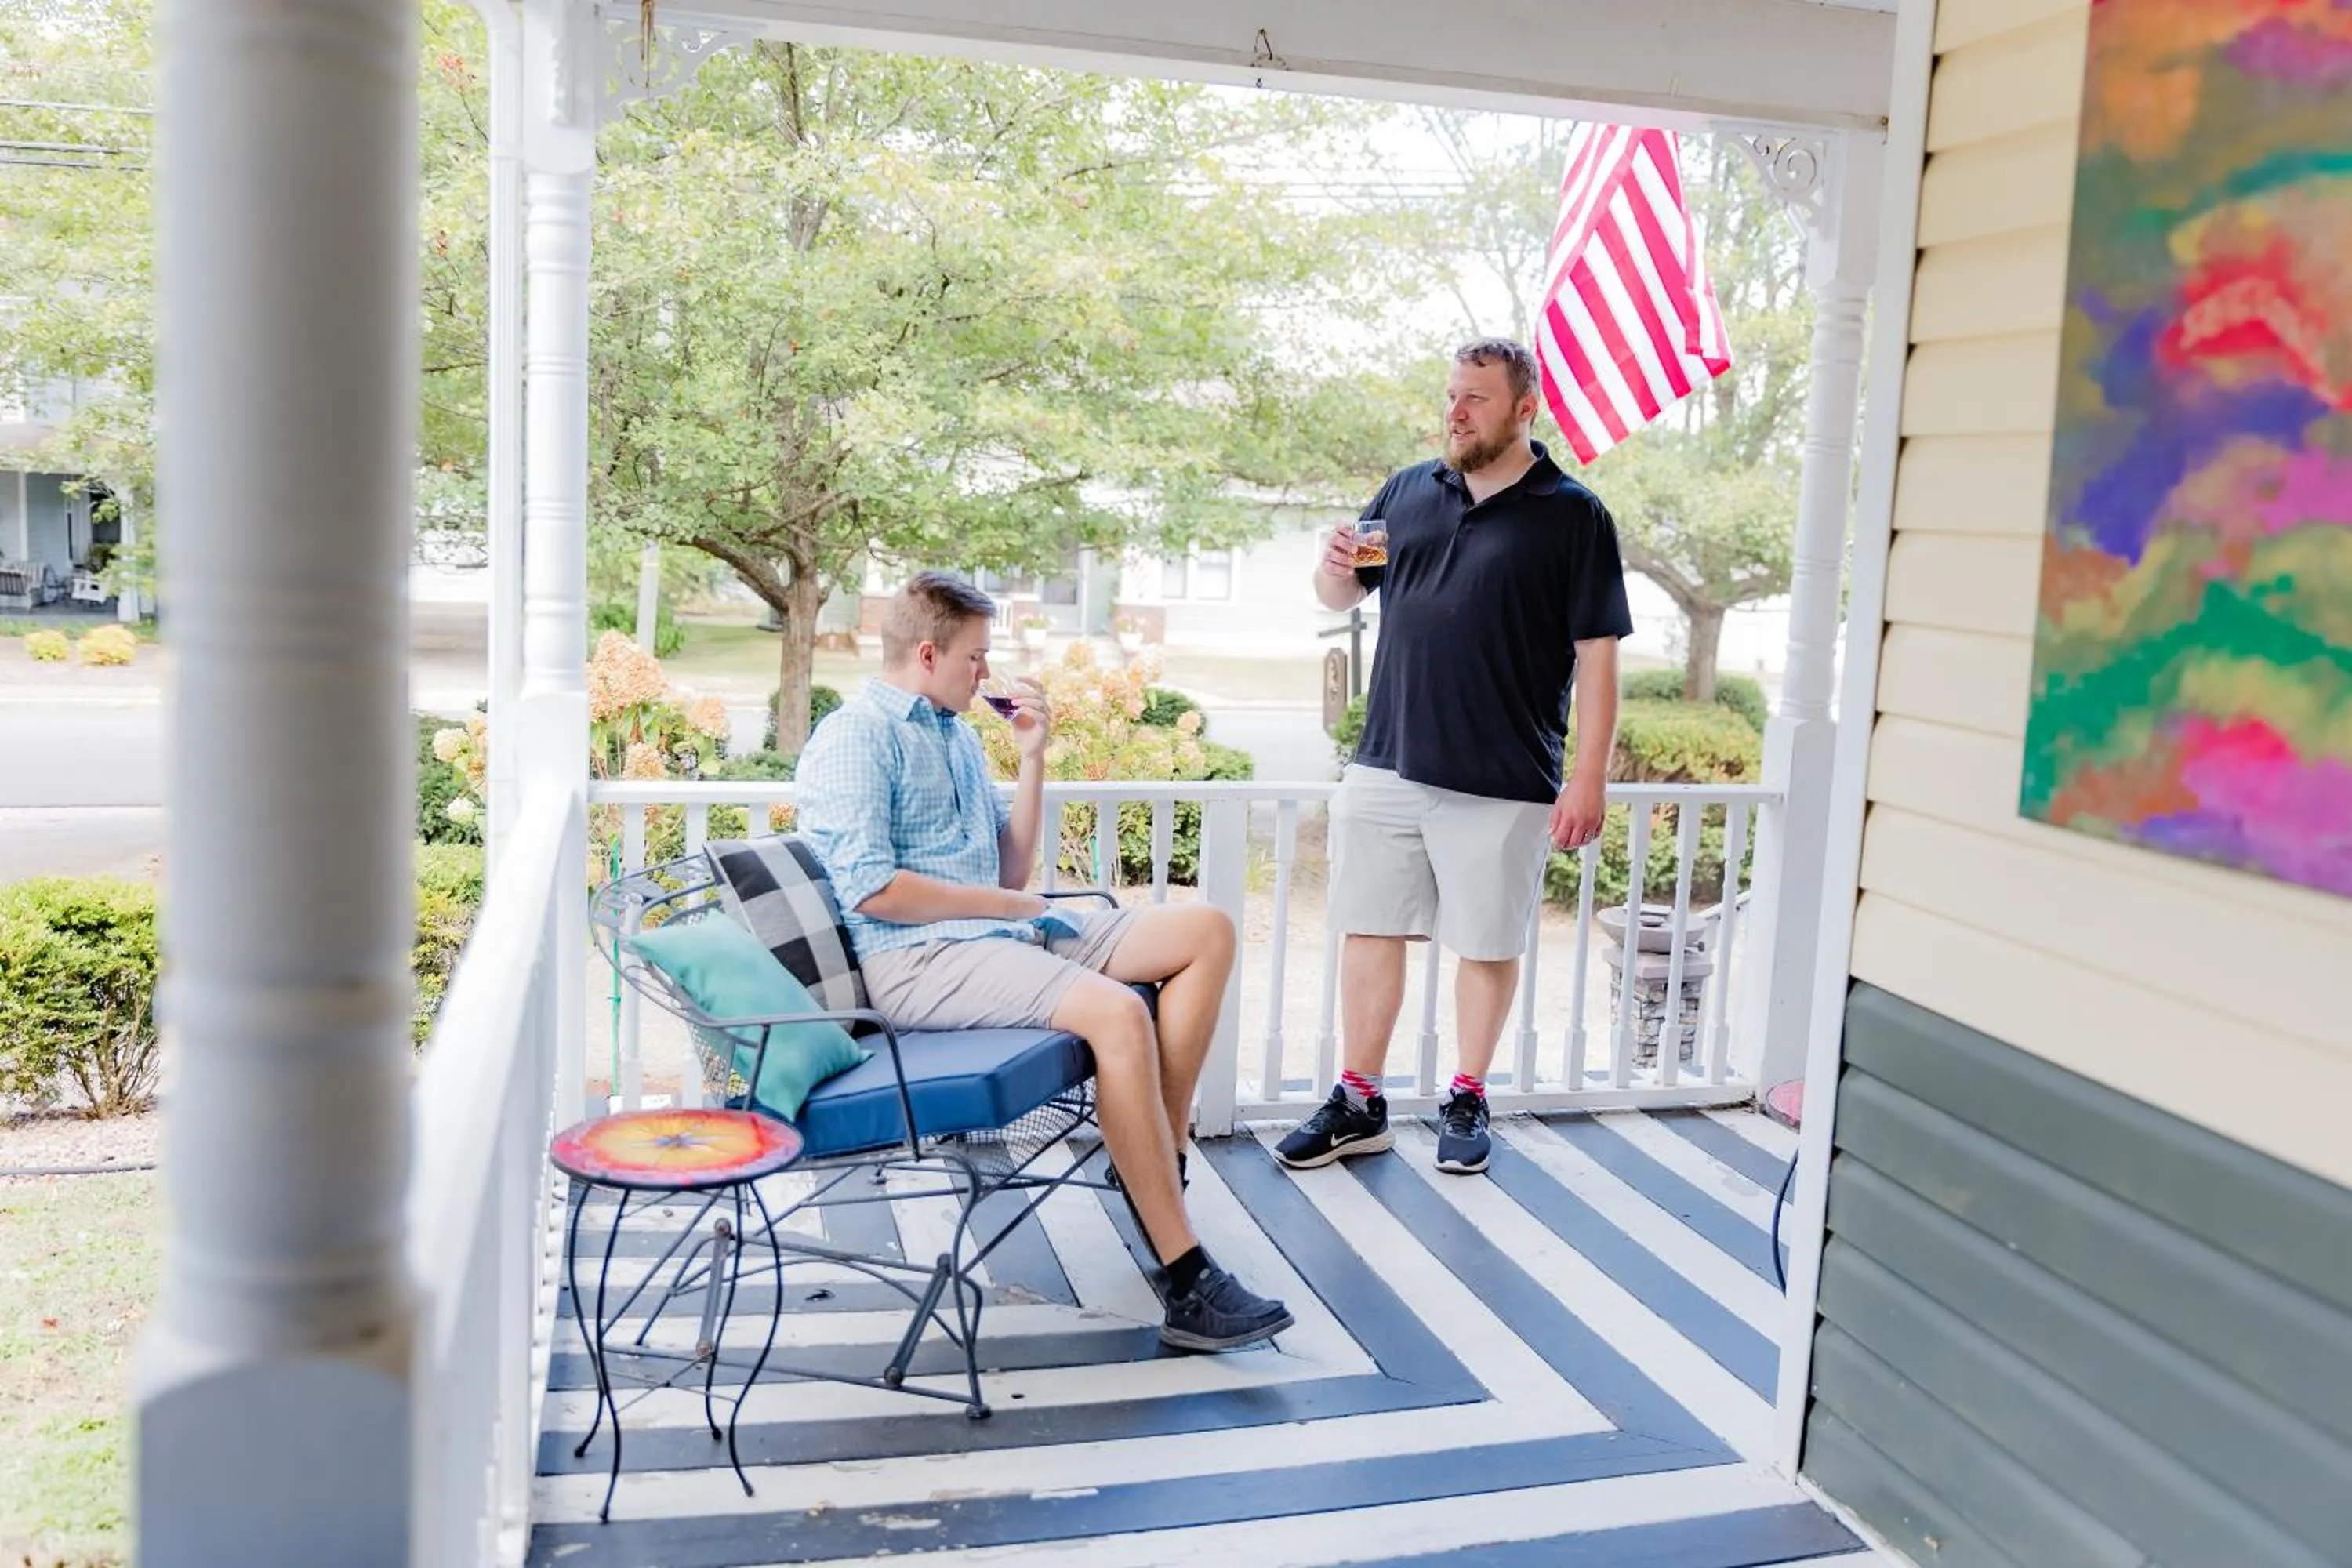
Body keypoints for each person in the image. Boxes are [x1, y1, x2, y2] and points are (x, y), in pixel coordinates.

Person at [795, 571, 1293, 1353]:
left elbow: (1012, 870)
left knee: (1206, 930)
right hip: (918, 961)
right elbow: (872, 889)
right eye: (975, 657)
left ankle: (1160, 1158)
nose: (984, 673)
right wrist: (1002, 908)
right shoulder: (857, 737)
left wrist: (1032, 756)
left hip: (994, 938)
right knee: (1117, 1008)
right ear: (927, 653)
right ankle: (1187, 1280)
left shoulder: (953, 733)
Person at [1278, 337, 1632, 1177]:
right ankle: (1359, 1100)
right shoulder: (1408, 489)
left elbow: (1599, 655)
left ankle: (1467, 1093)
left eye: (1476, 397)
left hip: (1502, 776)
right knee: (1369, 929)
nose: (1456, 410)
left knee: (1485, 941)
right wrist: (1330, 569)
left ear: (1523, 408)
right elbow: (1341, 593)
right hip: (1385, 760)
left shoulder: (1574, 514)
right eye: (1450, 395)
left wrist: (1589, 775)